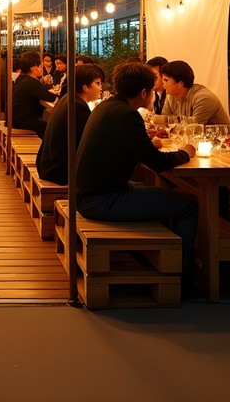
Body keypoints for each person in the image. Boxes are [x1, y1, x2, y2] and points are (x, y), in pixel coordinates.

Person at [76, 61, 199, 294]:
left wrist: (147, 144)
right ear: (144, 92)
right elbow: (159, 163)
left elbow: (137, 150)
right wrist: (186, 152)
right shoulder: (126, 115)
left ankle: (158, 258)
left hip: (91, 193)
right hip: (101, 200)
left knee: (165, 196)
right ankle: (181, 278)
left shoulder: (109, 107)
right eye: (152, 90)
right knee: (188, 205)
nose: (154, 95)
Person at [36, 63, 105, 185]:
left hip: (48, 166)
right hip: (60, 173)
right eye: (98, 83)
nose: (101, 88)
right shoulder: (77, 107)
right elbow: (90, 144)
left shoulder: (69, 99)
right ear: (85, 87)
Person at [160, 60, 230, 126]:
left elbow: (193, 129)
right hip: (188, 139)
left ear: (180, 82)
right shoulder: (171, 96)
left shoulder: (203, 98)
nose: (163, 84)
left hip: (218, 138)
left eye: (166, 80)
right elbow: (164, 124)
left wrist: (164, 121)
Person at [11, 51, 58, 139]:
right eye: (40, 66)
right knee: (51, 128)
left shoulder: (22, 79)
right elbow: (50, 97)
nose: (41, 68)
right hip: (23, 121)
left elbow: (43, 90)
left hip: (16, 119)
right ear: (33, 68)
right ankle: (46, 151)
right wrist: (54, 92)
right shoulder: (30, 82)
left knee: (49, 126)